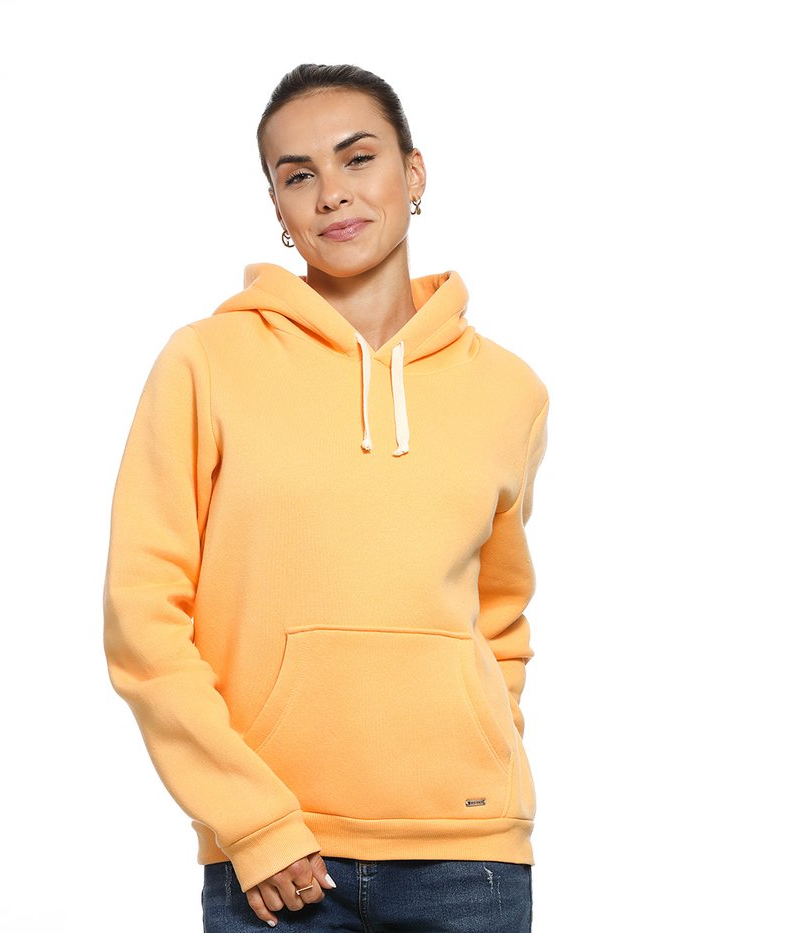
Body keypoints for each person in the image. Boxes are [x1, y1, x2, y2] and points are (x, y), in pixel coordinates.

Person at [103, 63, 548, 932]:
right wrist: (248, 818)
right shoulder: (206, 362)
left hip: (471, 858)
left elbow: (500, 615)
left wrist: (482, 760)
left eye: (358, 158)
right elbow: (142, 614)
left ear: (413, 173)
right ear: (277, 205)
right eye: (297, 174)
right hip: (277, 859)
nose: (331, 193)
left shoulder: (509, 390)